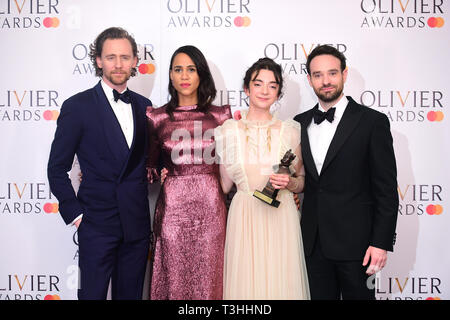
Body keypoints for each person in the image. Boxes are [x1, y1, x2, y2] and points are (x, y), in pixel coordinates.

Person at [47, 27, 152, 300]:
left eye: (125, 57)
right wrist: (77, 215)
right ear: (98, 61)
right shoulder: (77, 106)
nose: (118, 64)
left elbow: (145, 162)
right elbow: (57, 168)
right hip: (96, 224)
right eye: (111, 57)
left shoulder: (145, 106)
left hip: (136, 226)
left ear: (134, 62)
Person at [293, 45, 398, 300]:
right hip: (313, 246)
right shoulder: (299, 122)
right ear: (309, 80)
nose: (325, 81)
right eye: (317, 75)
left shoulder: (372, 122)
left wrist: (381, 243)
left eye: (332, 73)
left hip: (359, 247)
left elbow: (386, 190)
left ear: (344, 74)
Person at [215, 57, 310, 299]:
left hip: (281, 216)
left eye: (272, 85)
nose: (265, 91)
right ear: (247, 89)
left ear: (279, 92)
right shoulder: (228, 131)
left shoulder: (290, 131)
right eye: (258, 84)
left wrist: (291, 183)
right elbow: (224, 185)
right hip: (244, 215)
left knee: (282, 286)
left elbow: (301, 180)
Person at [146, 45, 231, 300]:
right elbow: (147, 167)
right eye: (178, 69)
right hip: (172, 212)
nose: (184, 76)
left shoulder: (221, 116)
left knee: (210, 280)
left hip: (212, 211)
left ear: (201, 75)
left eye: (191, 69)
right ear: (170, 75)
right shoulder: (156, 118)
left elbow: (236, 167)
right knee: (173, 278)